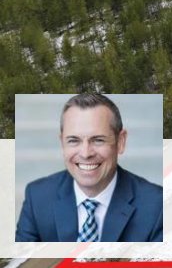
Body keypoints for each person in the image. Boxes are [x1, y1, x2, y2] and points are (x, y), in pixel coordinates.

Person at [15, 93, 163, 243]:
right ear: (62, 143)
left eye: (98, 140)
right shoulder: (37, 197)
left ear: (120, 142)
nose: (86, 154)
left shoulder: (158, 206)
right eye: (74, 140)